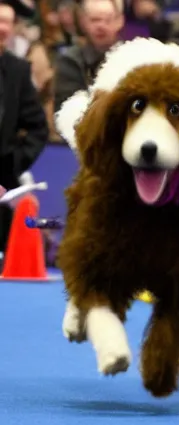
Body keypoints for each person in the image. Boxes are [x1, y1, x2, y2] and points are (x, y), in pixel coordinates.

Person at [0, 0, 48, 257]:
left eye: (8, 22)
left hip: (3, 189)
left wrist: (12, 165)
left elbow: (38, 128)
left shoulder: (18, 71)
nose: (3, 28)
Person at [53, 0, 123, 113]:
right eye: (95, 20)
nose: (101, 26)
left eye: (107, 20)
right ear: (83, 22)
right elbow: (67, 114)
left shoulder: (132, 56)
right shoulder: (70, 61)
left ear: (120, 21)